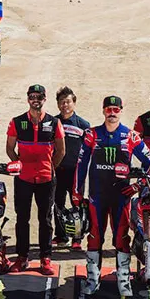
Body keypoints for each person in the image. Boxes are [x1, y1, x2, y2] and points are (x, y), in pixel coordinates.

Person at [74, 95, 150, 296]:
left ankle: (123, 281)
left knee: (121, 238)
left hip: (121, 197)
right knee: (94, 237)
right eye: (108, 109)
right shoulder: (91, 134)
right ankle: (92, 279)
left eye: (116, 110)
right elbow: (81, 165)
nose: (112, 113)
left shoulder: (131, 136)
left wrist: (139, 185)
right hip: (97, 196)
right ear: (103, 111)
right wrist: (77, 192)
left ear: (121, 111)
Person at [4, 84, 65, 275]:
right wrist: (19, 164)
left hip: (46, 178)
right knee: (22, 218)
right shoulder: (17, 121)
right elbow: (9, 148)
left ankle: (45, 258)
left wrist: (50, 167)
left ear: (45, 99)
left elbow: (61, 150)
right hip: (23, 178)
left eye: (39, 96)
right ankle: (22, 257)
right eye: (32, 96)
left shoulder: (54, 122)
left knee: (45, 219)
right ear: (28, 98)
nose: (35, 99)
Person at [52, 86, 92, 249]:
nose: (65, 105)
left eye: (68, 102)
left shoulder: (83, 124)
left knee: (77, 205)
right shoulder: (53, 122)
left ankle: (77, 238)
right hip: (57, 170)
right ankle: (61, 236)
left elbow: (88, 149)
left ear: (74, 102)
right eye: (62, 102)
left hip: (76, 172)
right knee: (57, 204)